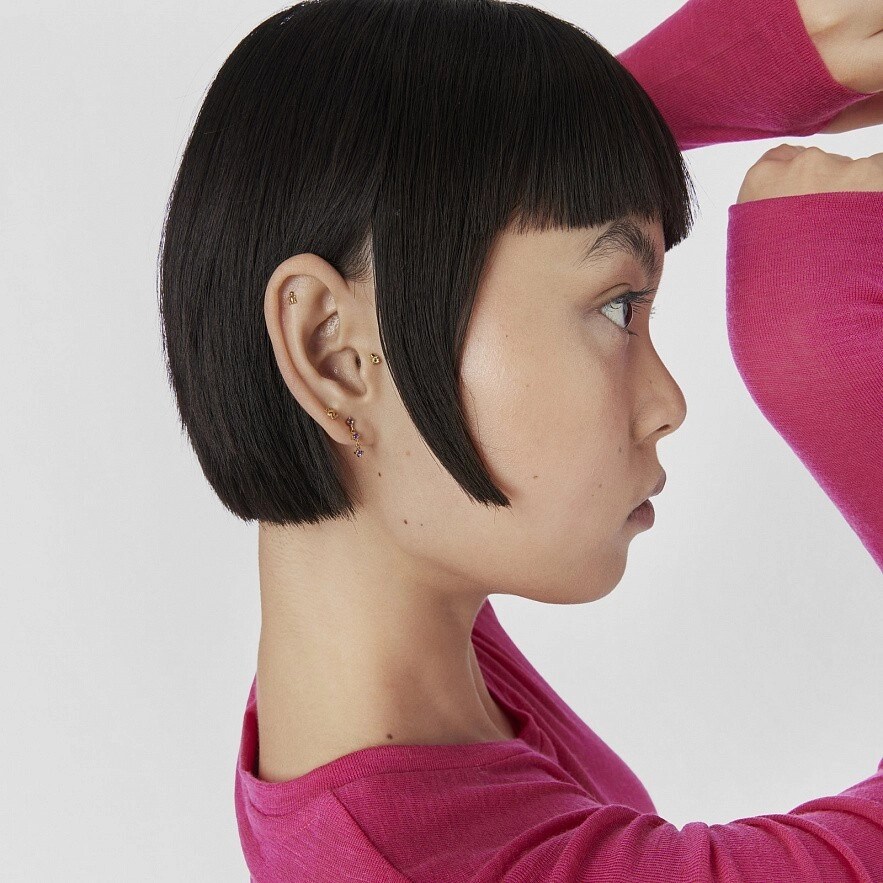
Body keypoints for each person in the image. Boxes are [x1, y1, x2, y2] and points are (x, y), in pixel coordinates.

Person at [157, 0, 882, 878]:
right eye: (618, 307)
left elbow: (434, 250)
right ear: (333, 354)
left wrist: (730, 65)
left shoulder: (381, 661)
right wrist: (823, 346)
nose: (666, 403)